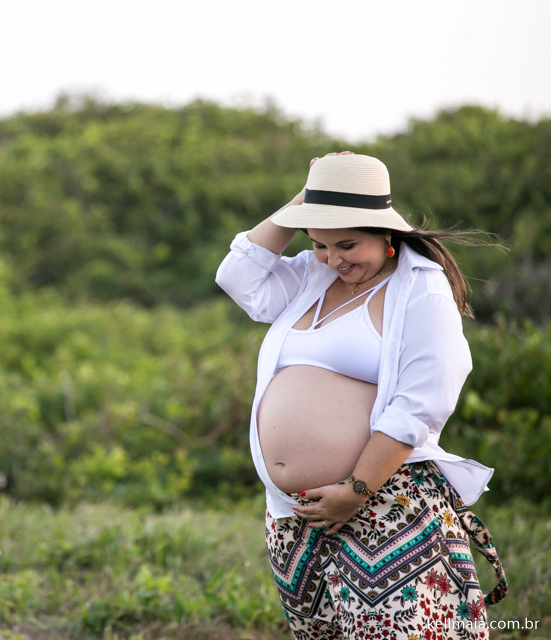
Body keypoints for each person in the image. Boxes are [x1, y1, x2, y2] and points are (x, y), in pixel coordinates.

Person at [215, 152, 507, 639]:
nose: (334, 259)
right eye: (320, 244)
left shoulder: (421, 291)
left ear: (386, 233)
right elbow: (237, 277)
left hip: (383, 506)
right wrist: (308, 199)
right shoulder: (314, 276)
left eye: (347, 244)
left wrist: (355, 490)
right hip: (295, 519)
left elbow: (421, 403)